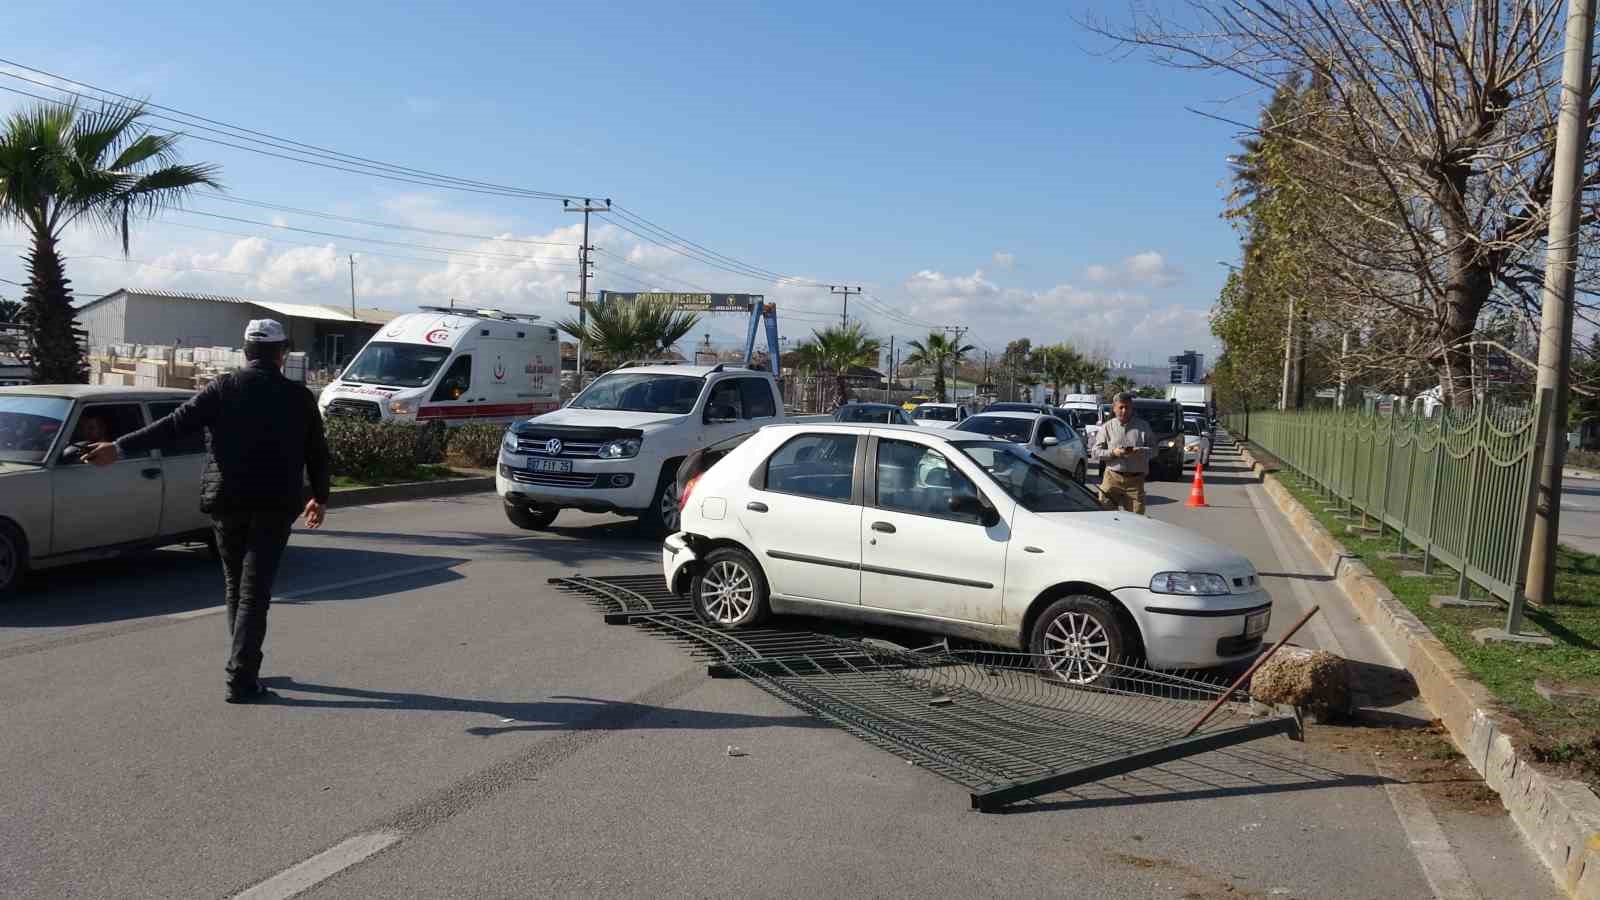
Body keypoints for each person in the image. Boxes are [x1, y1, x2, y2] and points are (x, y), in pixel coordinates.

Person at [84, 320, 330, 703]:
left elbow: (172, 427)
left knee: (237, 588)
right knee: (254, 593)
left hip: (227, 501)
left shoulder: (223, 389)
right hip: (273, 505)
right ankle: (242, 677)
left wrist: (119, 447)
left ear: (246, 351)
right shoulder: (298, 397)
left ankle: (242, 667)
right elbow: (317, 450)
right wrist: (321, 495)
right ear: (282, 354)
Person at [1090, 392, 1153, 515]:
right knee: (1105, 516)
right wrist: (1113, 453)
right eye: (1121, 407)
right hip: (1112, 478)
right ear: (1114, 408)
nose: (1124, 411)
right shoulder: (1107, 427)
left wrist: (1141, 451)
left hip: (1135, 481)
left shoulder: (1143, 427)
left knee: (1136, 520)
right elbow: (1095, 453)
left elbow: (1154, 450)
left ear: (1132, 408)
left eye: (1127, 407)